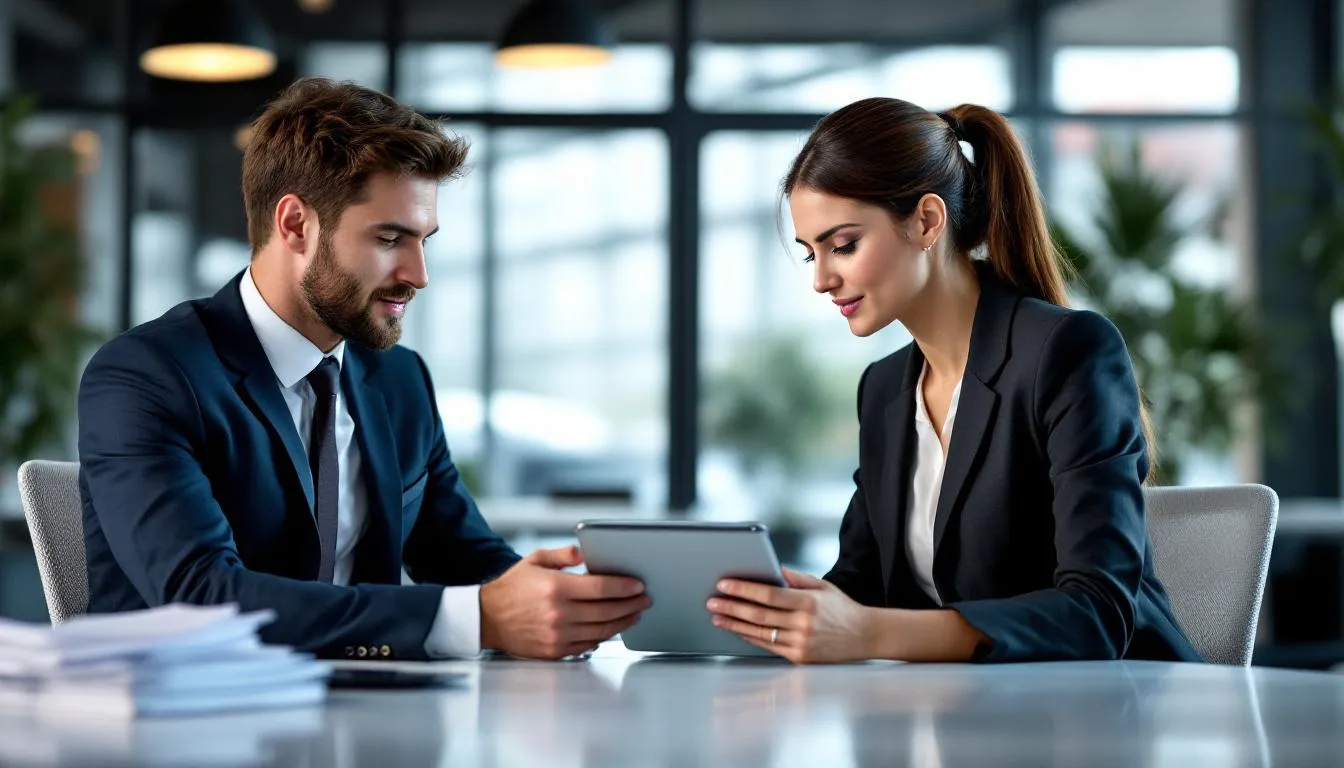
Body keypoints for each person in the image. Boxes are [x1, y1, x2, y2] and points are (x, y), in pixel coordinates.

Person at [78, 77, 649, 661]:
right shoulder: (147, 376)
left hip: (365, 718)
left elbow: (469, 561)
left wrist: (581, 602)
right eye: (389, 238)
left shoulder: (399, 381)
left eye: (424, 240)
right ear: (296, 224)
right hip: (178, 725)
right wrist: (478, 618)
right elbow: (197, 596)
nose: (418, 273)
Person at [705, 97, 1201, 664]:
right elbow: (861, 585)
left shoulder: (1067, 352)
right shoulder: (885, 390)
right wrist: (744, 611)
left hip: (1113, 714)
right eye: (810, 252)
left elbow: (1098, 612)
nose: (821, 279)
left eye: (843, 245)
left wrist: (867, 633)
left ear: (927, 221)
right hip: (967, 712)